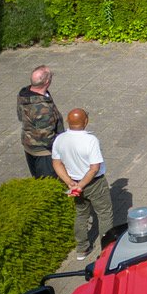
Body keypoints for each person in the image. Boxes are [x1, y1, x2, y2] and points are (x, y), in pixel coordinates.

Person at [51, 108, 114, 261]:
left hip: (73, 182)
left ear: (67, 121)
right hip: (94, 183)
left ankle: (82, 249)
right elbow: (94, 168)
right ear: (86, 121)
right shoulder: (90, 140)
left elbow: (56, 163)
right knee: (104, 214)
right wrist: (82, 185)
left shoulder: (60, 139)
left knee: (81, 214)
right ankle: (107, 251)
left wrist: (70, 183)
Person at [16, 65, 63, 178]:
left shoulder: (25, 94)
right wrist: (63, 146)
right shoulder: (42, 108)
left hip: (29, 144)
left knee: (37, 178)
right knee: (48, 182)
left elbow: (20, 116)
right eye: (51, 76)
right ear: (47, 81)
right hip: (44, 153)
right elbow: (47, 137)